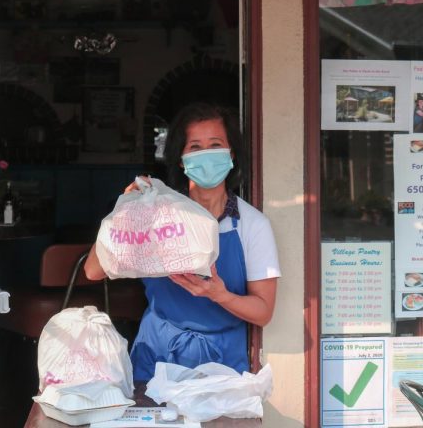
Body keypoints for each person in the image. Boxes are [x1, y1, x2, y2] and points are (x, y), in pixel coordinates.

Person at [84, 103, 281, 381]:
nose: (206, 155)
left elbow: (263, 312)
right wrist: (125, 211)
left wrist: (218, 294)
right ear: (180, 158)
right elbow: (93, 271)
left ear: (231, 153)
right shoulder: (158, 214)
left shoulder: (252, 225)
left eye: (216, 145)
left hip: (222, 361)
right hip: (157, 352)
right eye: (195, 148)